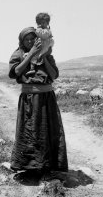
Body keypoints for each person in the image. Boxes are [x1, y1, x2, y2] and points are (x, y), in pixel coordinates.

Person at [8, 26, 68, 175]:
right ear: (22, 41)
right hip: (29, 98)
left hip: (47, 98)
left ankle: (49, 165)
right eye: (26, 39)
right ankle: (30, 166)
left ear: (37, 39)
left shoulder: (47, 53)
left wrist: (44, 57)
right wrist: (31, 54)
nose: (29, 41)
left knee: (48, 130)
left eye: (32, 39)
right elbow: (14, 72)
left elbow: (53, 75)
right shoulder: (19, 54)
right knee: (31, 130)